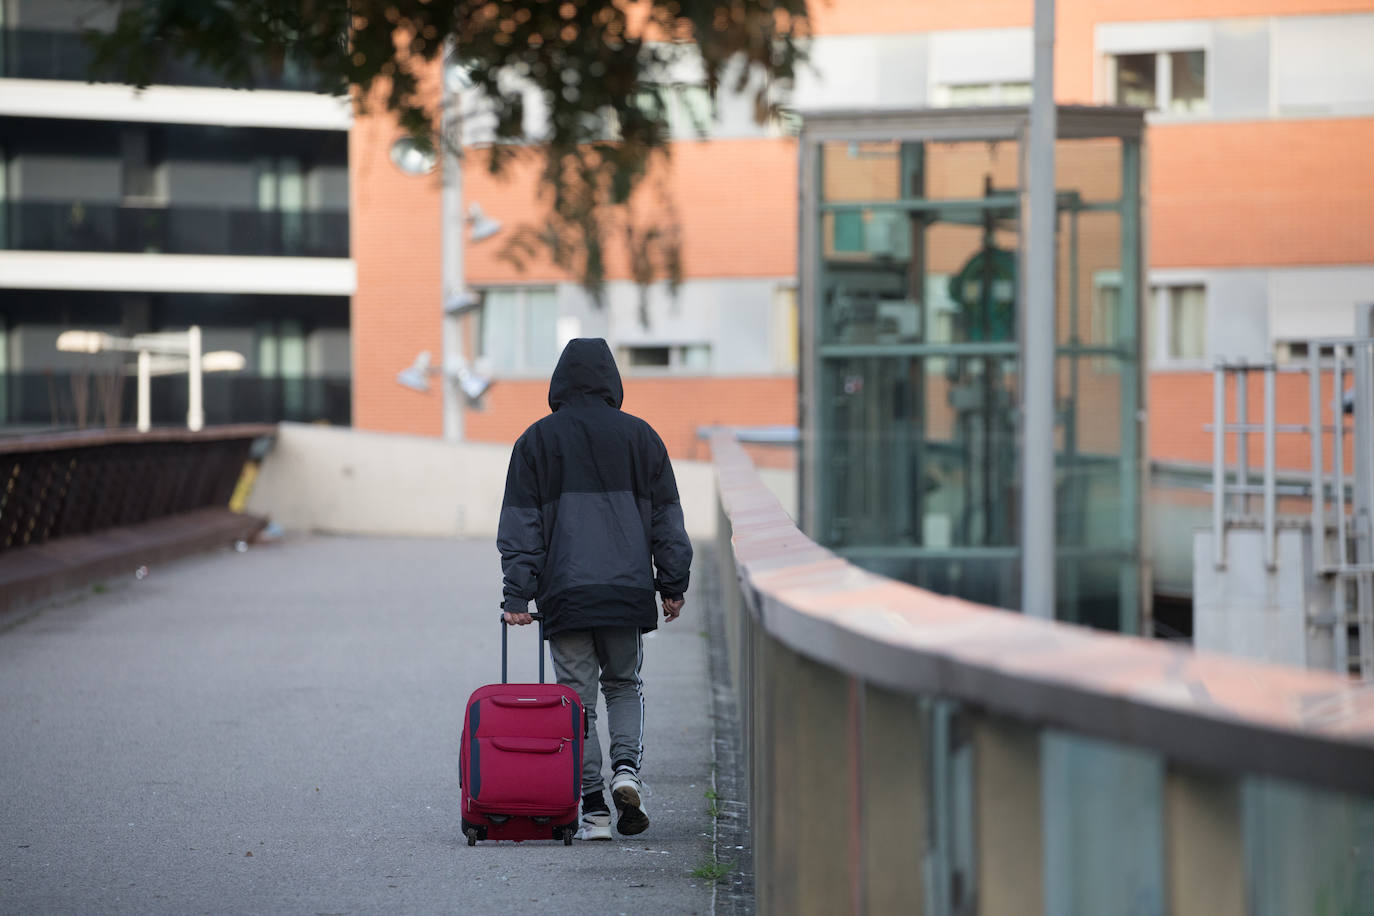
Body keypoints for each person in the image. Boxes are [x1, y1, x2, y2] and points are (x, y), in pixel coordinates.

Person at [497, 338, 692, 841]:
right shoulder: (641, 438)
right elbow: (668, 520)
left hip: (565, 593)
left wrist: (517, 595)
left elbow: (522, 526)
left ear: (558, 382)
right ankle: (626, 771)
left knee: (575, 700)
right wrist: (671, 583)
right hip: (625, 591)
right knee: (623, 684)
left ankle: (595, 811)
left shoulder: (536, 441)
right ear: (612, 381)